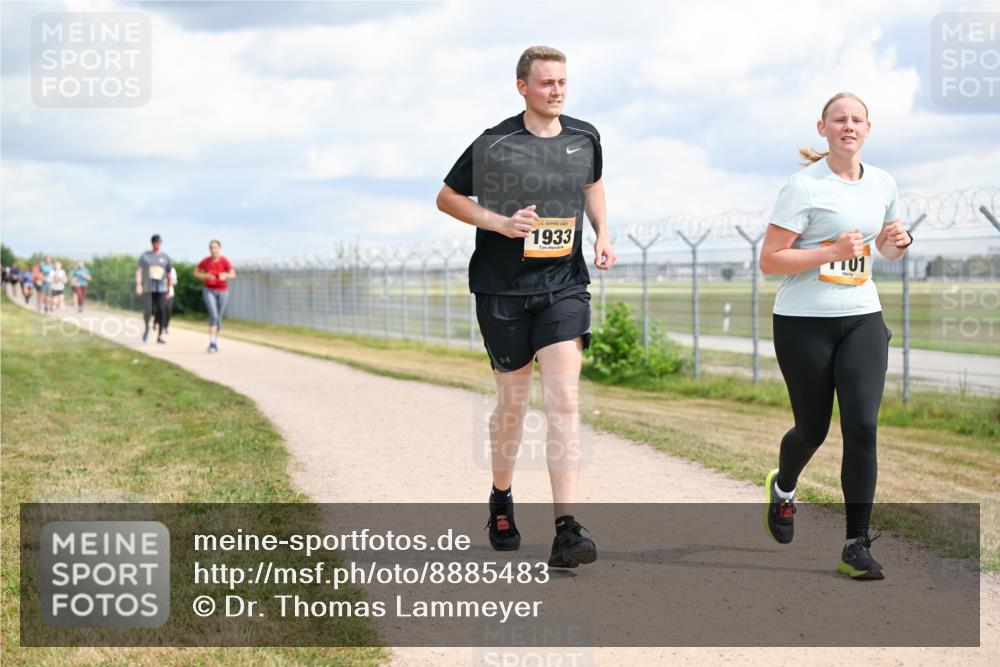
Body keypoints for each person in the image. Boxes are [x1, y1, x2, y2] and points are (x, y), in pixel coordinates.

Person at [436, 46, 616, 569]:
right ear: (522, 87)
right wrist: (500, 223)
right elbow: (447, 198)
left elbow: (593, 182)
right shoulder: (495, 143)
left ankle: (566, 529)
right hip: (502, 289)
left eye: (562, 82)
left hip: (564, 284)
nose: (556, 91)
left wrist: (603, 232)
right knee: (512, 408)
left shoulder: (585, 137)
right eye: (546, 84)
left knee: (563, 399)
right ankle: (501, 497)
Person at [759, 92, 912, 580]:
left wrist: (895, 244)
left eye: (857, 120)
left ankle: (855, 544)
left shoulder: (883, 183)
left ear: (868, 128)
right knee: (813, 429)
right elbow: (770, 261)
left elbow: (883, 251)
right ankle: (784, 488)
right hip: (804, 322)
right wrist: (828, 251)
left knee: (863, 426)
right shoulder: (803, 187)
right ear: (822, 129)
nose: (848, 126)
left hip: (863, 316)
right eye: (838, 119)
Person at [194, 239, 235, 353]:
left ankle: (215, 341)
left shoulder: (225, 261)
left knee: (219, 318)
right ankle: (212, 343)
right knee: (214, 315)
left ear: (219, 248)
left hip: (222, 291)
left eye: (215, 247)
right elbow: (196, 273)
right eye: (211, 248)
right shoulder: (206, 261)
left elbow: (233, 274)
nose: (213, 250)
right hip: (209, 290)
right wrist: (205, 276)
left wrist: (225, 275)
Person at [135, 234, 173, 344]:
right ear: (152, 243)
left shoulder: (165, 257)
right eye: (156, 242)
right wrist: (139, 284)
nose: (158, 244)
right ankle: (147, 327)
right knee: (148, 311)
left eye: (160, 242)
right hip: (148, 287)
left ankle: (160, 335)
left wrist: (170, 288)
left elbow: (169, 274)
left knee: (162, 310)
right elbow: (139, 271)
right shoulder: (145, 256)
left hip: (162, 288)